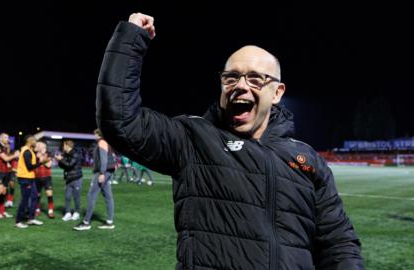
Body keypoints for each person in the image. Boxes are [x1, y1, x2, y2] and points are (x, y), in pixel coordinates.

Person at [96, 13, 364, 269]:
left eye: (256, 79)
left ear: (277, 92)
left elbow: (338, 243)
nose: (241, 86)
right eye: (231, 77)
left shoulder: (308, 160)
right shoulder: (193, 138)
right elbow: (120, 121)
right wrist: (131, 39)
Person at [73, 129, 116, 231]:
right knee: (108, 197)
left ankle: (86, 222)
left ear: (98, 134)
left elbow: (104, 158)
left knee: (91, 195)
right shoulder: (105, 142)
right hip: (107, 172)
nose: (94, 135)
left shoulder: (101, 142)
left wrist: (102, 173)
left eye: (95, 133)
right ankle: (109, 222)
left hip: (103, 172)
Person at [15, 135, 47, 229]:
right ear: (29, 141)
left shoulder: (29, 150)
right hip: (25, 178)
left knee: (34, 197)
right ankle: (18, 221)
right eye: (34, 140)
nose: (35, 141)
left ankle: (31, 218)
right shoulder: (26, 151)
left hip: (30, 178)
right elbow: (29, 167)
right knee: (24, 200)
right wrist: (41, 163)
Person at [0, 133, 19, 220]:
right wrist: (15, 155)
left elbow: (9, 160)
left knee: (4, 192)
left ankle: (1, 212)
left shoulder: (6, 148)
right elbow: (5, 159)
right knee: (0, 191)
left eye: (8, 137)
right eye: (6, 137)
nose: (7, 139)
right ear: (0, 138)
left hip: (6, 172)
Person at [55, 140, 83, 222]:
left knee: (76, 196)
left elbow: (70, 165)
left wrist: (61, 159)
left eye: (64, 146)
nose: (63, 147)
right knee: (67, 196)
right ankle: (68, 213)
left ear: (68, 146)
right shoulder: (65, 154)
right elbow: (63, 166)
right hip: (69, 178)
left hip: (76, 178)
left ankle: (77, 212)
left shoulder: (75, 154)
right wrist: (59, 160)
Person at [34, 140, 55, 219]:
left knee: (49, 194)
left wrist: (42, 157)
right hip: (37, 177)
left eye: (40, 145)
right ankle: (37, 209)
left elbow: (49, 165)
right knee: (38, 194)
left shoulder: (48, 154)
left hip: (46, 177)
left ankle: (50, 211)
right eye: (38, 145)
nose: (38, 146)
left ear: (44, 146)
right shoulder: (34, 154)